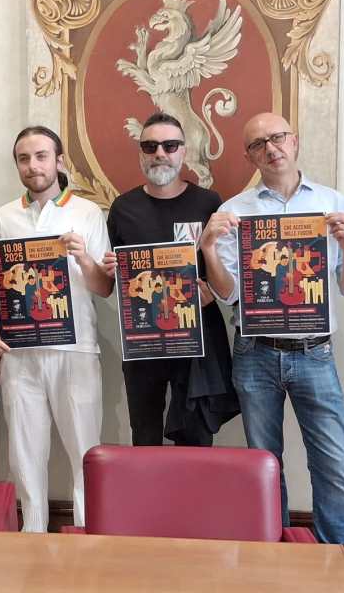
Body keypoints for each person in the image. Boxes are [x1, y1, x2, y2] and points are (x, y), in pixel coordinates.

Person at [200, 112, 344, 544]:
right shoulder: (233, 211)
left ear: (294, 141)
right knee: (265, 465)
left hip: (315, 351)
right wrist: (209, 249)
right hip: (255, 351)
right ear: (249, 156)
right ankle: (276, 554)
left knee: (333, 462)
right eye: (258, 144)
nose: (270, 148)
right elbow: (229, 295)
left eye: (277, 138)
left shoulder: (332, 202)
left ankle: (335, 555)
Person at [0, 126, 113, 532]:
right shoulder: (4, 216)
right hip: (20, 352)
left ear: (58, 161)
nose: (33, 165)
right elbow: (0, 285)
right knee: (24, 453)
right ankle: (33, 534)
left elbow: (105, 287)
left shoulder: (87, 212)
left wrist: (84, 258)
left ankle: (86, 536)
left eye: (41, 156)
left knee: (84, 451)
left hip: (75, 349)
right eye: (24, 158)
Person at [103, 112, 235, 446]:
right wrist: (112, 269)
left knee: (196, 437)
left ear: (183, 151)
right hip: (143, 338)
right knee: (144, 432)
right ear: (141, 153)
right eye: (150, 146)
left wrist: (210, 291)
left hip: (197, 337)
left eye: (170, 145)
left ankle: (191, 485)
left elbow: (223, 269)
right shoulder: (123, 208)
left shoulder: (208, 202)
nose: (160, 153)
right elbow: (114, 280)